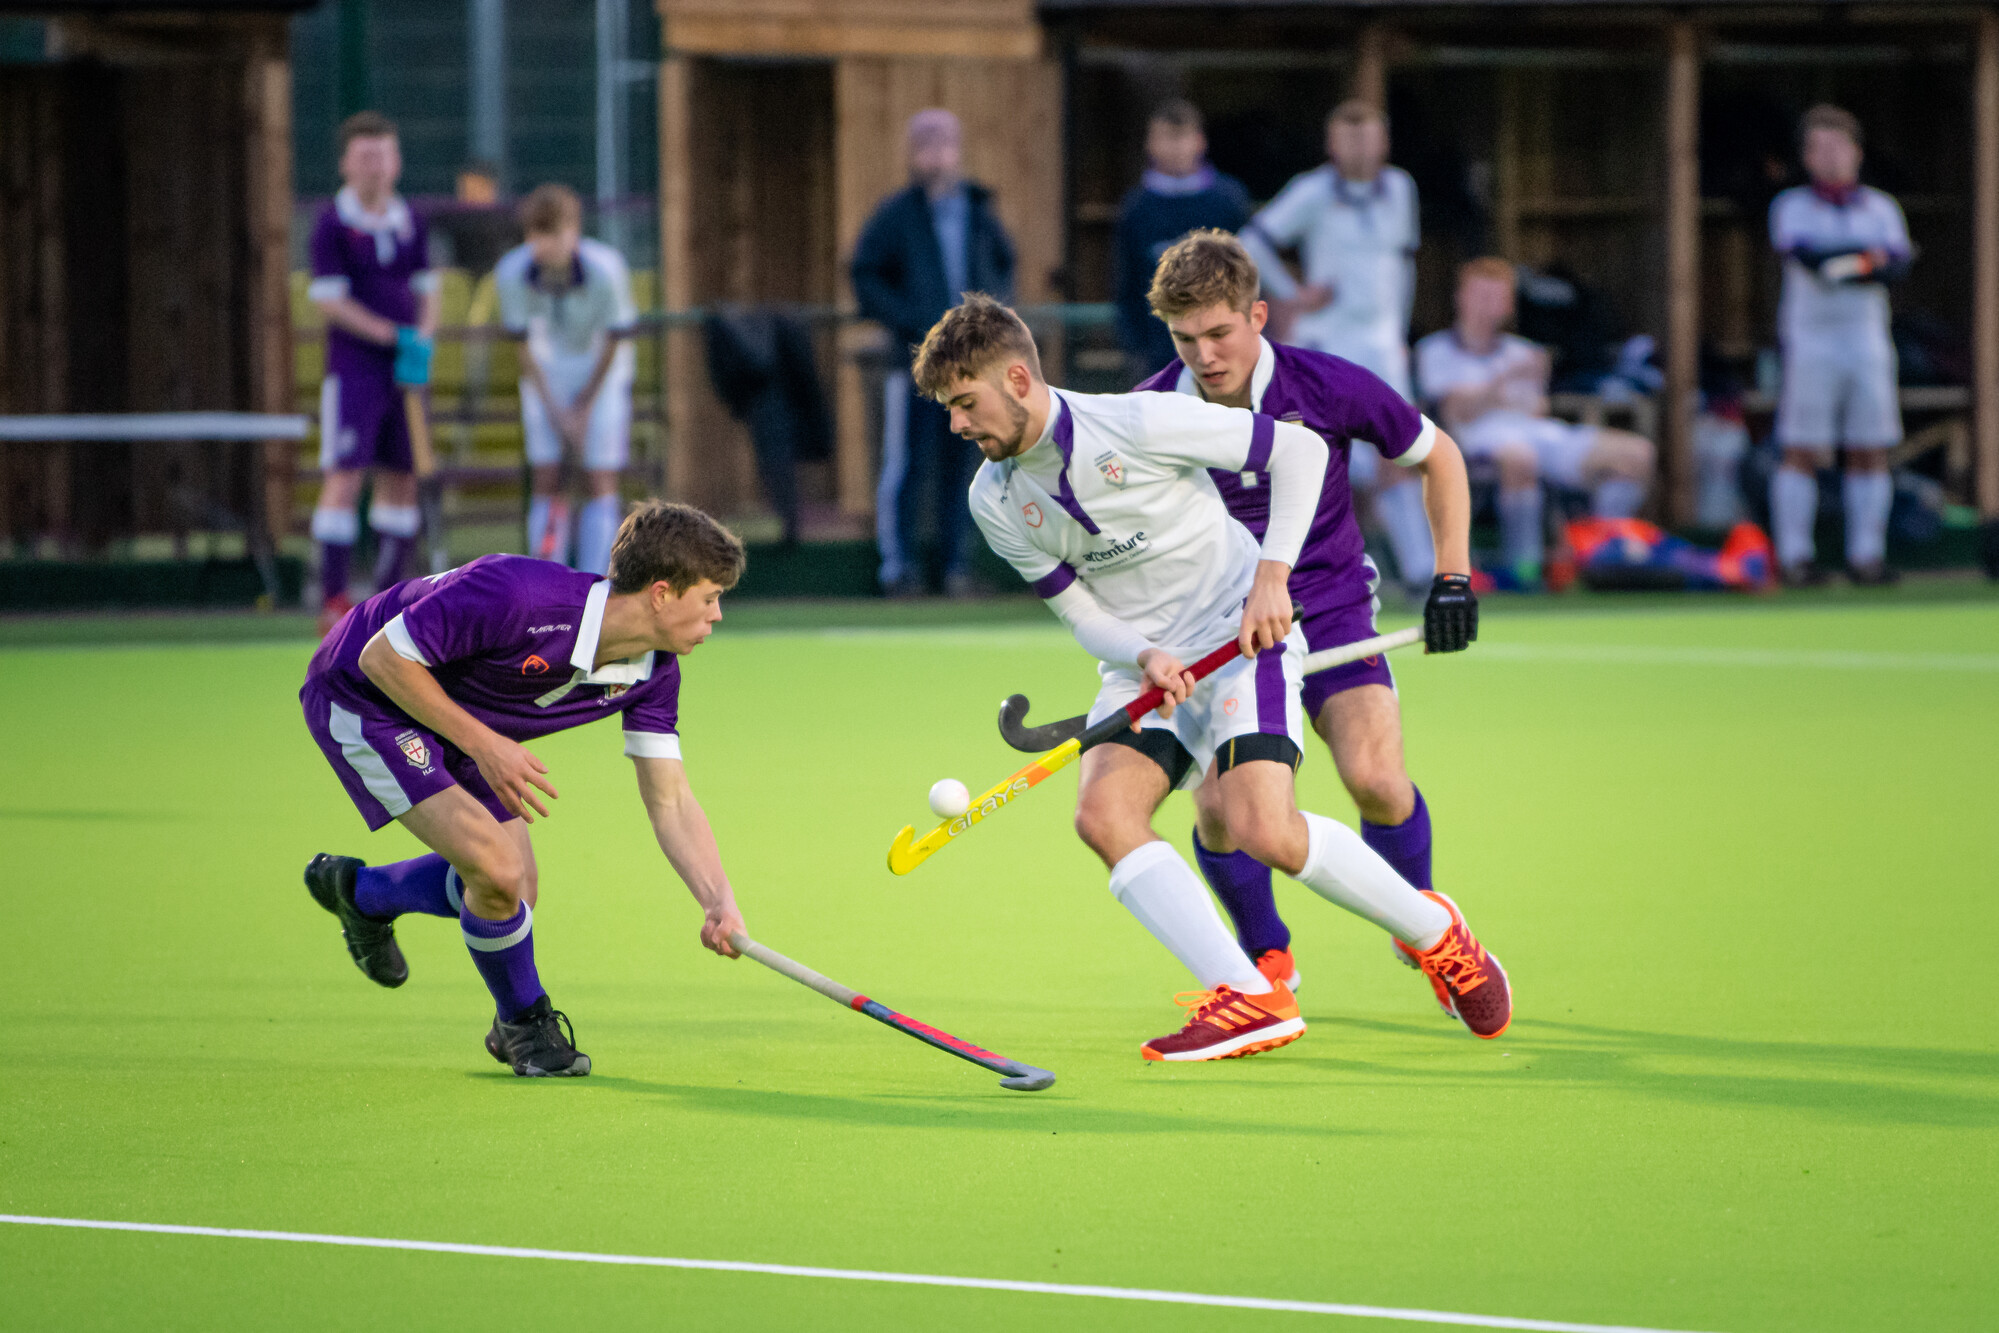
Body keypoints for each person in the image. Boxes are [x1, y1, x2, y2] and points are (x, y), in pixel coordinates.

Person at [917, 294, 1511, 1061]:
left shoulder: (1140, 421)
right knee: (1102, 814)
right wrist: (1144, 658)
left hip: (1239, 634)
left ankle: (1438, 935)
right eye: (949, 409)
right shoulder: (992, 497)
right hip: (1145, 663)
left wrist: (1272, 579)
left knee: (1263, 826)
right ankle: (1251, 993)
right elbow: (1077, 607)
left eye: (965, 403)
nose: (958, 425)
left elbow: (1299, 455)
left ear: (1020, 380)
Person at [1134, 230, 1476, 996]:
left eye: (1220, 332)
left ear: (1258, 316)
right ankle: (1266, 959)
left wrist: (1451, 577)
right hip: (1217, 632)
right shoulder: (1148, 413)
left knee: (1377, 778)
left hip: (1328, 608)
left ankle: (1423, 932)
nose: (1205, 355)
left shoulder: (1325, 385)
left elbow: (1438, 456)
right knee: (1222, 810)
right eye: (1185, 339)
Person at [299, 501, 750, 1077]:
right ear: (662, 593)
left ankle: (360, 893)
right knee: (498, 874)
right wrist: (487, 747)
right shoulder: (520, 595)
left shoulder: (653, 673)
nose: (716, 616)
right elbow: (383, 656)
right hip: (366, 694)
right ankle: (523, 1026)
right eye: (710, 598)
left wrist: (718, 899)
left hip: (459, 718)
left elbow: (671, 800)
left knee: (516, 891)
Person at [1241, 101, 1433, 597]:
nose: (1359, 147)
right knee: (1325, 456)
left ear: (1384, 142)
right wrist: (1290, 292)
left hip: (1382, 342)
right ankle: (1317, 572)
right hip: (1328, 341)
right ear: (1331, 144)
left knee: (1402, 449)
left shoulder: (1401, 189)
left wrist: (1400, 333)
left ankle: (1420, 572)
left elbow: (1402, 265)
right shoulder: (1312, 191)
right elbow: (1252, 241)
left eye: (1367, 136)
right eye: (1348, 137)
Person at [851, 109, 1017, 597]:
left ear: (957, 150)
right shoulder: (896, 214)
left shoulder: (978, 211)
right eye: (926, 145)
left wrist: (990, 319)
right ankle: (897, 569)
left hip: (970, 371)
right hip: (915, 366)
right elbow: (865, 272)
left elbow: (1005, 265)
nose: (936, 156)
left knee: (963, 467)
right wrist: (908, 320)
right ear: (912, 153)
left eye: (944, 144)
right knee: (906, 464)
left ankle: (954, 566)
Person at [1415, 258, 1655, 586]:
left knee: (1637, 453)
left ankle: (1597, 551)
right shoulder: (1435, 349)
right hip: (1476, 442)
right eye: (1481, 295)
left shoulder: (1523, 351)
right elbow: (1457, 412)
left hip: (1539, 435)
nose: (1489, 305)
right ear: (1462, 298)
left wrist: (1501, 394)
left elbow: (1536, 408)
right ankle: (1524, 570)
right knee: (1519, 457)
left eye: (1497, 297)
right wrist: (1502, 383)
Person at [1767, 105, 1914, 586]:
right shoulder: (1791, 206)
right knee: (1802, 447)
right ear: (1807, 156)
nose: (1830, 157)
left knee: (1869, 447)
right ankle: (1795, 557)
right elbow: (1809, 257)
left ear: (1856, 152)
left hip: (1867, 340)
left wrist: (1850, 266)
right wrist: (1863, 261)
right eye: (1819, 148)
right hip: (1811, 342)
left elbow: (1896, 265)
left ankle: (1866, 556)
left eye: (1838, 146)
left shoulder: (1881, 208)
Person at [308, 111, 441, 635]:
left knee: (402, 478)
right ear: (345, 163)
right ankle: (334, 598)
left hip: (405, 374)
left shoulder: (411, 219)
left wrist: (422, 341)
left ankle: (388, 598)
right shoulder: (332, 223)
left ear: (398, 161)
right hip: (355, 370)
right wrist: (391, 336)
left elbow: (428, 288)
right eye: (365, 157)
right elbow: (330, 301)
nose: (375, 167)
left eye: (384, 155)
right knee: (344, 477)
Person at [493, 184, 639, 576]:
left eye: (553, 233)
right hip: (547, 372)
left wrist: (585, 406)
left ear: (573, 231)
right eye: (535, 234)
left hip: (603, 371)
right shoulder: (512, 271)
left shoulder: (605, 269)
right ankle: (547, 582)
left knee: (599, 475)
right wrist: (557, 411)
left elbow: (615, 339)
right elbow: (524, 347)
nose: (544, 244)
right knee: (546, 473)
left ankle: (596, 582)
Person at [1112, 100, 1250, 377]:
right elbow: (1125, 284)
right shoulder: (1136, 208)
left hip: (1223, 351)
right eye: (1166, 138)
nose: (1175, 148)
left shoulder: (1228, 201)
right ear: (1150, 144)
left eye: (1183, 138)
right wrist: (1135, 348)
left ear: (1200, 142)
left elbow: (1249, 275)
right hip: (1158, 354)